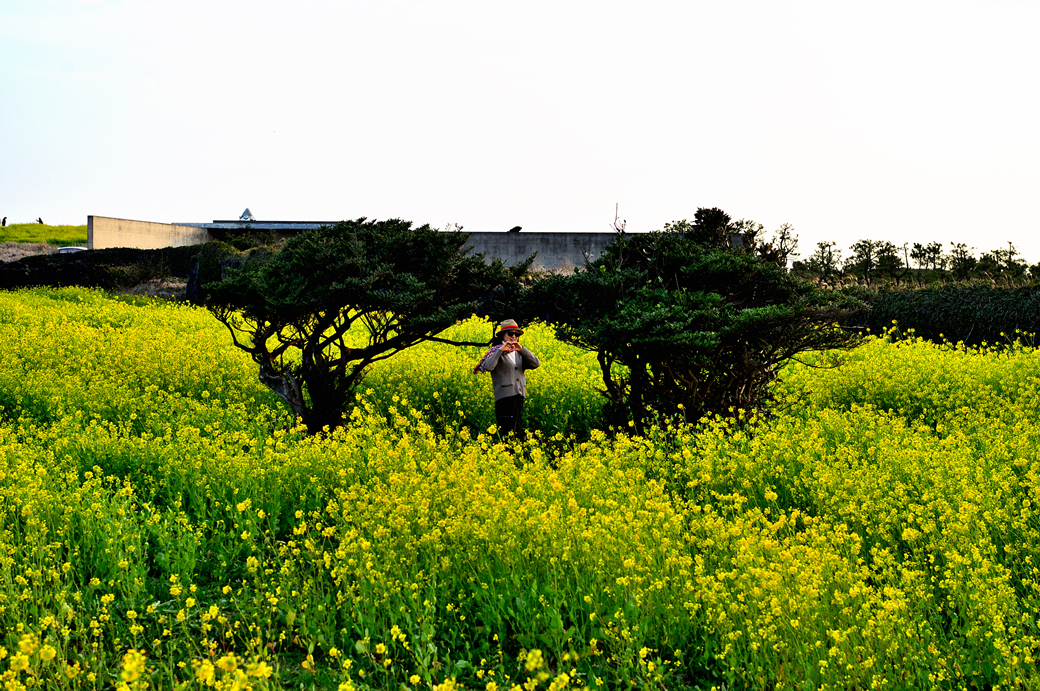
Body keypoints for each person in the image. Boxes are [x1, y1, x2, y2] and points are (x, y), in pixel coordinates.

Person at [472, 319, 540, 436]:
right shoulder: (495, 351)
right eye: (510, 333)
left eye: (516, 334)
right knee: (506, 430)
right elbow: (488, 366)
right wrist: (500, 351)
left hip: (519, 395)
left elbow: (535, 364)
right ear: (503, 335)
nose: (514, 336)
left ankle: (513, 448)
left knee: (516, 429)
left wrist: (522, 349)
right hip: (504, 397)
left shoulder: (519, 353)